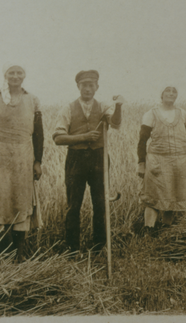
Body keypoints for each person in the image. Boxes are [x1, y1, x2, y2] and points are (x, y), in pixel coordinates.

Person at [0, 64, 43, 262]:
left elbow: (39, 134)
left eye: (19, 72)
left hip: (23, 156)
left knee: (21, 202)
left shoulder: (33, 100)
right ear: (5, 75)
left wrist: (38, 161)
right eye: (11, 72)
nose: (15, 76)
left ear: (24, 76)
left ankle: (18, 256)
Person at [53, 70, 124, 253]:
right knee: (73, 205)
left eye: (91, 85)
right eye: (84, 85)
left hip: (99, 158)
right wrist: (83, 137)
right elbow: (58, 138)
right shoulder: (67, 109)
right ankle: (72, 247)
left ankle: (99, 246)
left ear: (97, 87)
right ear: (78, 87)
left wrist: (118, 106)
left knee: (100, 203)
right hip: (76, 159)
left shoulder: (104, 107)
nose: (87, 88)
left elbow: (115, 124)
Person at [137, 86, 186, 230]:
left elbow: (185, 136)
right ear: (161, 95)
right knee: (153, 197)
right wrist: (141, 163)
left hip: (179, 161)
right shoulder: (151, 114)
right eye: (167, 91)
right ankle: (148, 230)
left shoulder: (183, 114)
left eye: (174, 91)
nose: (171, 94)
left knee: (173, 195)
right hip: (157, 161)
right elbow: (142, 141)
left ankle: (166, 228)